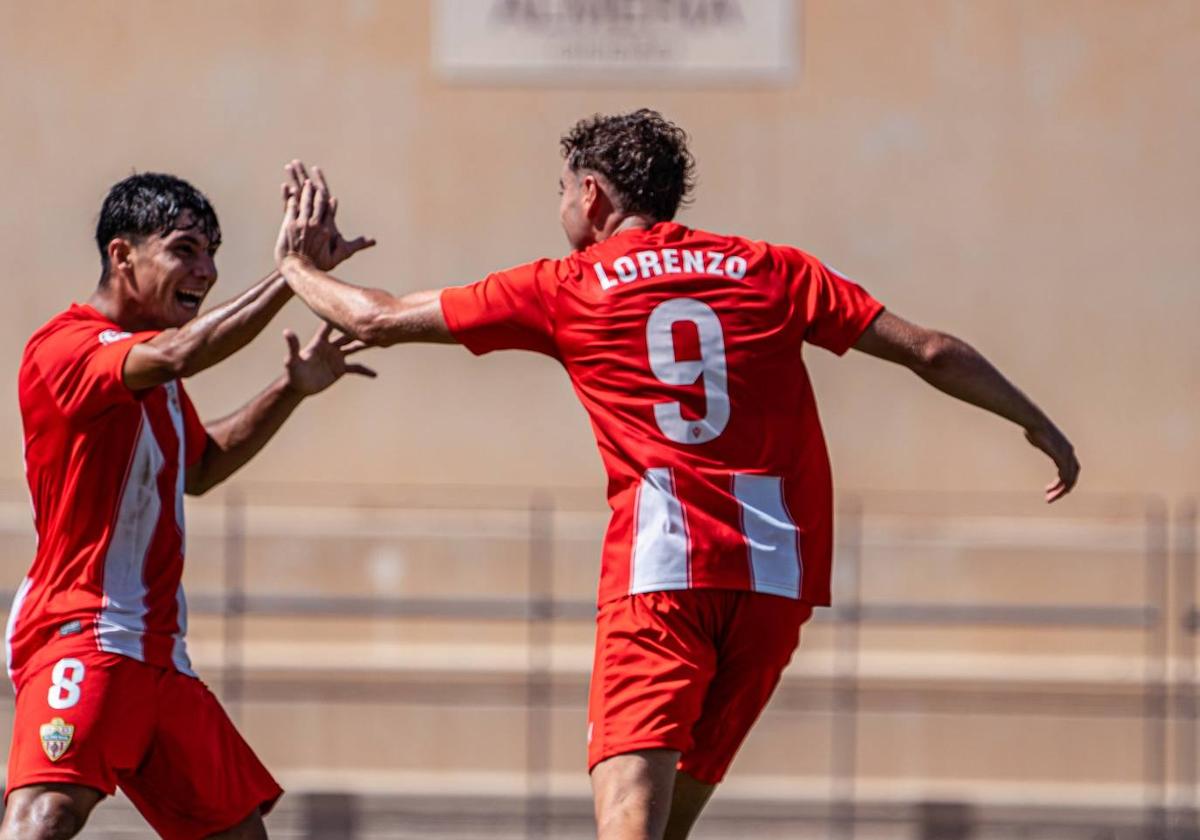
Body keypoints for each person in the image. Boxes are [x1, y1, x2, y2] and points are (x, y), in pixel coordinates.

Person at [274, 110, 1080, 840]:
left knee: (629, 818)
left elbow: (373, 317)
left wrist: (296, 268)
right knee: (667, 830)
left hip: (662, 573)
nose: (557, 208)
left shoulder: (569, 287)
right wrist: (1033, 418)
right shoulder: (773, 269)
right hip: (775, 580)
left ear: (591, 196)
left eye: (559, 191)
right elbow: (930, 349)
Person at [2, 171, 375, 840]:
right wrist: (293, 273)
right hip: (82, 632)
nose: (205, 270)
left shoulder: (154, 369)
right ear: (122, 256)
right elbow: (184, 353)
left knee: (238, 833)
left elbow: (200, 468)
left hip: (160, 656)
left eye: (212, 252)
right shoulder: (68, 347)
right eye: (185, 249)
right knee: (44, 815)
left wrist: (289, 390)